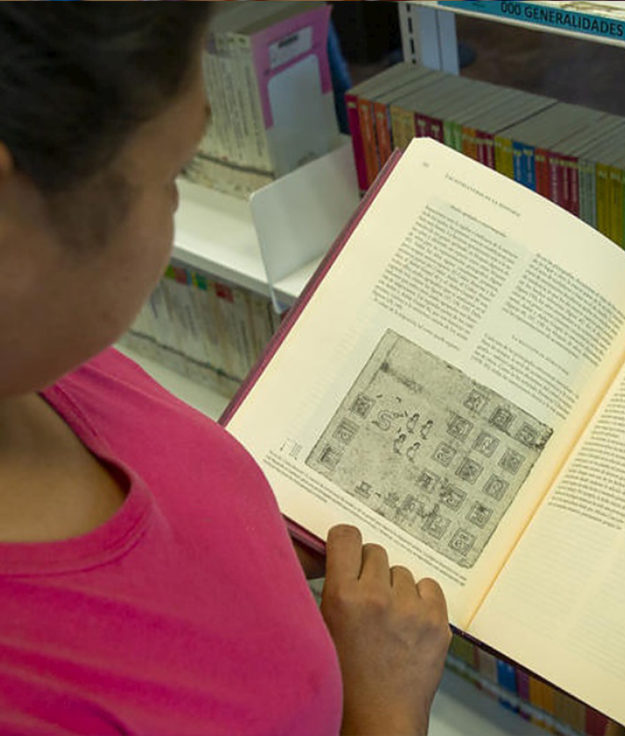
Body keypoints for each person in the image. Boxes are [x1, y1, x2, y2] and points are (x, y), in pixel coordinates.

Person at [0, 5, 450, 735]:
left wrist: (262, 539)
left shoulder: (39, 351)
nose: (178, 201)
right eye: (173, 168)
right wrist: (385, 710)